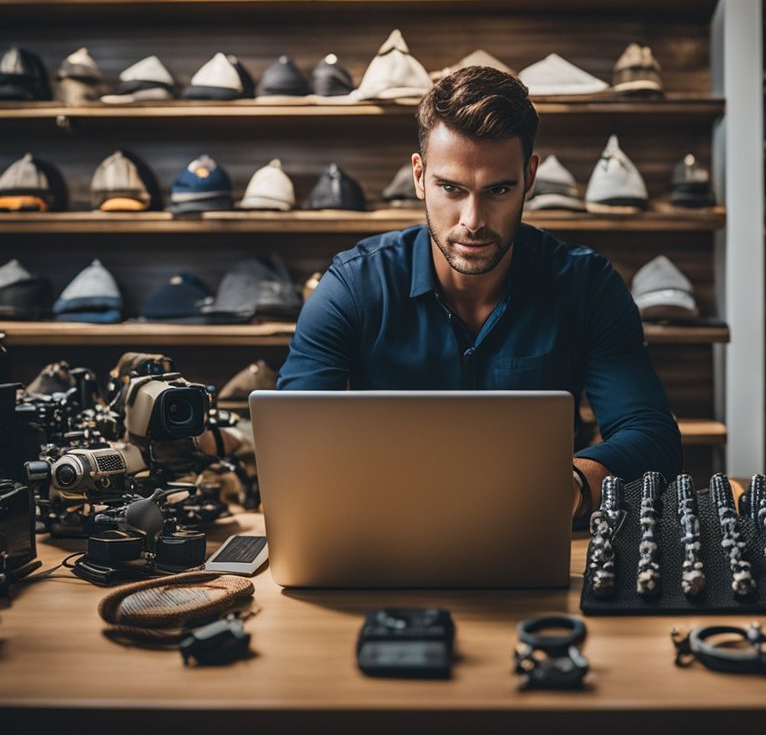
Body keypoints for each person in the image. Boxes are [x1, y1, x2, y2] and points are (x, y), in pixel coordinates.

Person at [278, 65, 682, 521]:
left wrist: (571, 485)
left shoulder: (586, 285)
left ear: (529, 177)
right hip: (385, 530)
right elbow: (294, 439)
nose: (473, 219)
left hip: (534, 534)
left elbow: (652, 436)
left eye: (499, 190)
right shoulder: (353, 286)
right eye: (450, 188)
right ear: (418, 176)